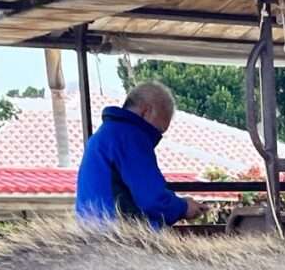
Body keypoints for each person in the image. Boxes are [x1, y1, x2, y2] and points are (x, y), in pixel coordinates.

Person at [75, 82, 204, 228]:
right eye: (158, 131)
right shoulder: (130, 136)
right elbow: (151, 199)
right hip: (120, 238)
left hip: (92, 233)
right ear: (146, 111)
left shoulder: (104, 134)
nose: (154, 138)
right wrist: (183, 207)